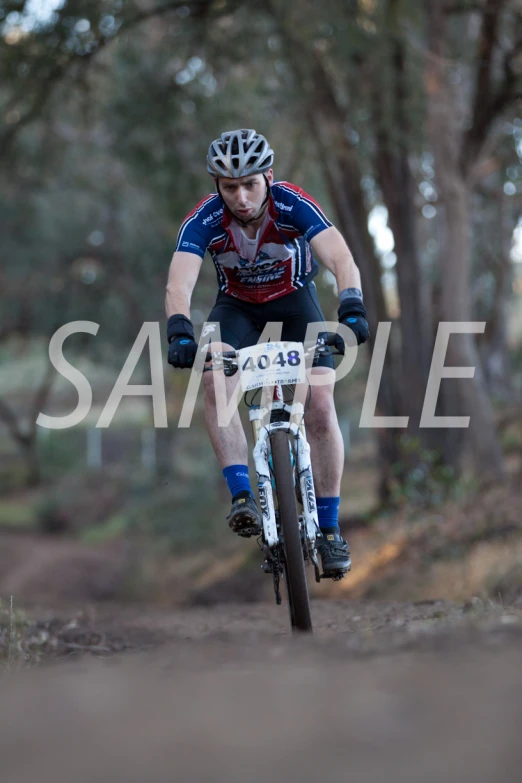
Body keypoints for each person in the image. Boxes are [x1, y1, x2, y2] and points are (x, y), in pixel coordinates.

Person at [165, 129, 369, 575]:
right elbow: (179, 281)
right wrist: (179, 330)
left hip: (296, 304)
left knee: (319, 407)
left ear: (268, 177)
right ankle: (243, 497)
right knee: (214, 380)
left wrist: (351, 305)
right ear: (217, 187)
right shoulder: (204, 219)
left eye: (250, 184)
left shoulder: (292, 203)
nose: (241, 197)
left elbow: (341, 258)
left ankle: (330, 530)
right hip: (236, 309)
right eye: (229, 187)